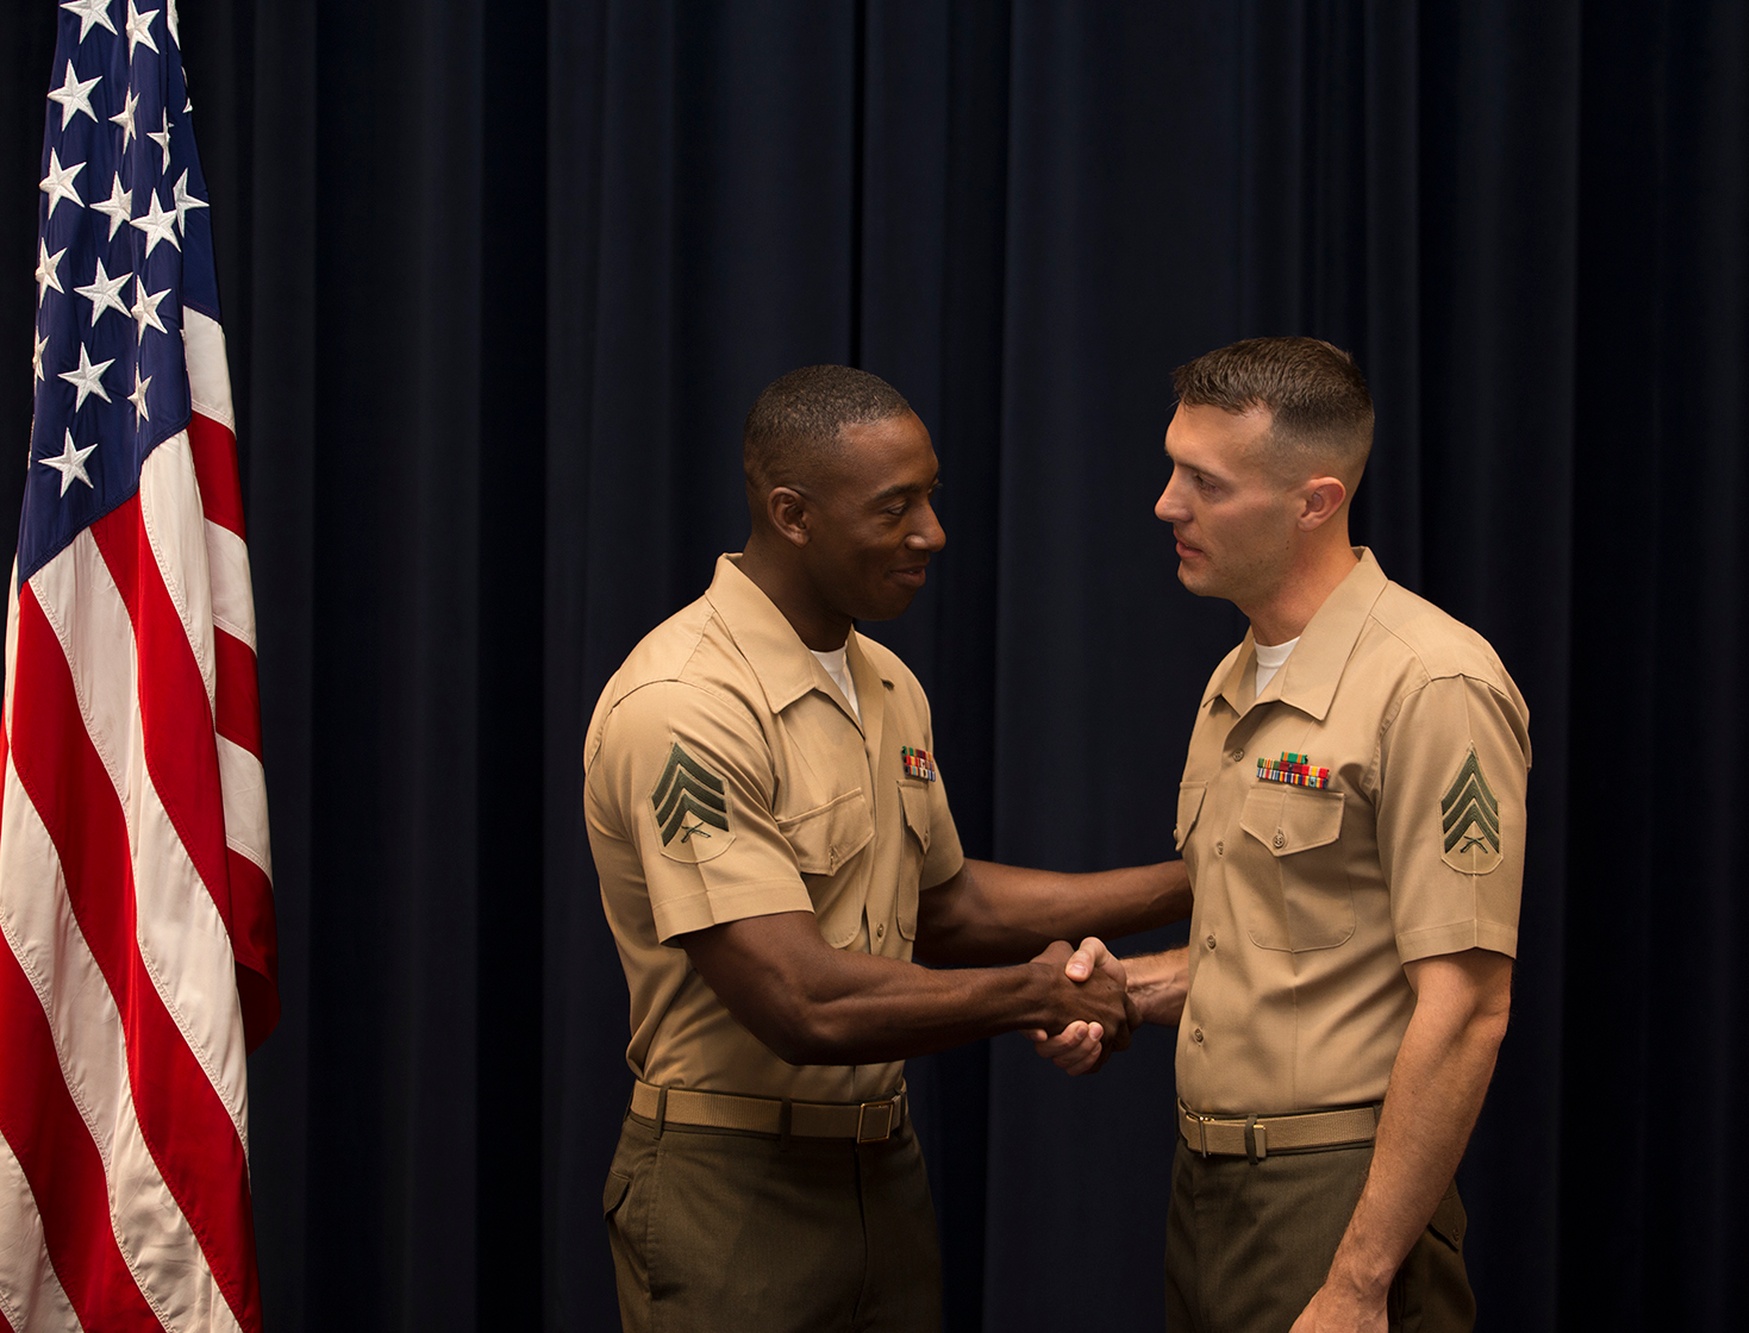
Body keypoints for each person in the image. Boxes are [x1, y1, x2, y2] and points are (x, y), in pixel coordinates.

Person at [582, 364, 1190, 1333]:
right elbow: (799, 1000)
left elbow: (945, 909)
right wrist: (1033, 994)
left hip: (882, 1170)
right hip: (732, 1186)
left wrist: (1197, 879)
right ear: (791, 513)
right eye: (894, 507)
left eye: (931, 496)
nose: (931, 534)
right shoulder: (685, 706)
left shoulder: (886, 683)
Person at [1077, 336, 1529, 1332]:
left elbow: (1465, 1008)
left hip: (1334, 1196)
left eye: (1202, 480)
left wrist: (1359, 1279)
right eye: (1169, 467)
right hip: (1206, 1189)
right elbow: (1284, 946)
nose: (1164, 503)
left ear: (1313, 501)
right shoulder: (1236, 676)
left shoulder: (1432, 682)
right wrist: (1128, 990)